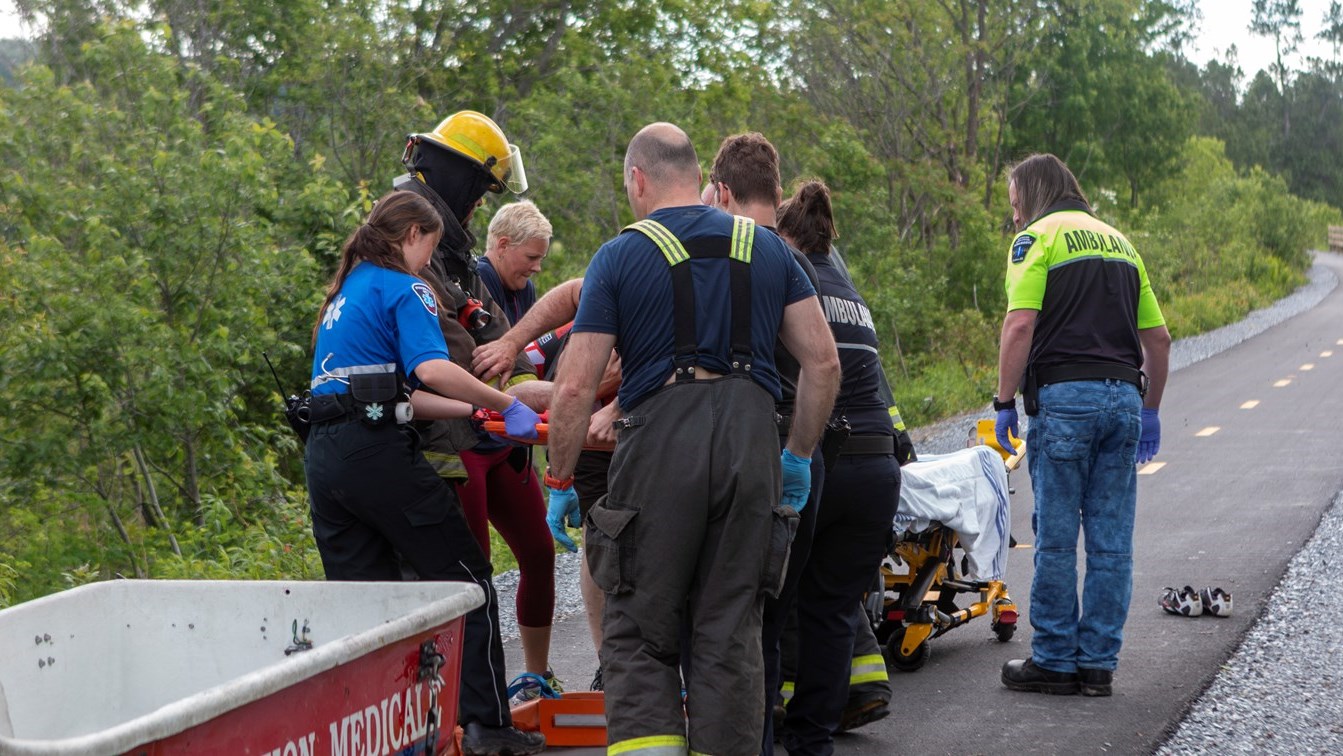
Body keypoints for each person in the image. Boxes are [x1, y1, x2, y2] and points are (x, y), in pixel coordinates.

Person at [544, 122, 841, 756]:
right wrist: (797, 460)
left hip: (657, 454)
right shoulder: (771, 251)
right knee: (729, 633)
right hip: (751, 451)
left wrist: (561, 480)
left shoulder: (620, 255)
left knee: (640, 631)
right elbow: (824, 364)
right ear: (699, 175)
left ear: (638, 179)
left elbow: (572, 389)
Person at [302, 190, 546, 756]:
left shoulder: (344, 291)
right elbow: (433, 368)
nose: (428, 266)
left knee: (367, 606)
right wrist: (506, 401)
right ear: (414, 237)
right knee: (468, 582)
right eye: (429, 250)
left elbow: (398, 392)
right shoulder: (405, 285)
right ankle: (487, 727)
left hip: (326, 456)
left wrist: (476, 412)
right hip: (376, 455)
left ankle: (379, 737)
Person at [993, 153, 1170, 698]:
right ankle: (1098, 665)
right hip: (1123, 399)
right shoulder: (1120, 243)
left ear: (1033, 194)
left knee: (1056, 539)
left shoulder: (1037, 240)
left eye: (1015, 204)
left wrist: (1003, 401)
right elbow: (1158, 341)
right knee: (1112, 543)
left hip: (1066, 398)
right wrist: (1150, 410)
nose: (1015, 217)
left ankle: (1052, 660)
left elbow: (1021, 324)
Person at [393, 110, 559, 692]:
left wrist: (516, 379)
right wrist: (522, 391)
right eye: (479, 194)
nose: (477, 208)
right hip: (445, 437)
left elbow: (491, 337)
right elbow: (453, 351)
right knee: (468, 580)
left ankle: (524, 683)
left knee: (532, 554)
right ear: (460, 179)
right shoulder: (409, 240)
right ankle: (466, 713)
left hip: (489, 433)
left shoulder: (452, 252)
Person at [772, 180, 902, 756]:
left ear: (786, 236)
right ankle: (812, 740)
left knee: (775, 606)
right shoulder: (848, 290)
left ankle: (760, 731)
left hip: (829, 460)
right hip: (878, 471)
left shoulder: (789, 280)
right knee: (831, 613)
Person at [477, 200, 553, 325]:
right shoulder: (481, 276)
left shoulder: (525, 288)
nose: (537, 268)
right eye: (531, 257)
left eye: (540, 259)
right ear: (503, 246)